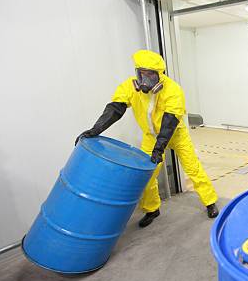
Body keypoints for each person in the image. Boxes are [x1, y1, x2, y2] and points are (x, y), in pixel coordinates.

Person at [77, 50, 219, 227]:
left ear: (160, 74)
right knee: (146, 175)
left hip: (176, 134)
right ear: (137, 72)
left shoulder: (173, 90)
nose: (145, 79)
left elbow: (169, 123)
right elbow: (115, 109)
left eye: (151, 74)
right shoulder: (130, 88)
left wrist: (159, 150)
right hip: (151, 137)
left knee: (192, 168)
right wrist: (95, 130)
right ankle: (152, 209)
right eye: (142, 73)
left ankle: (210, 202)